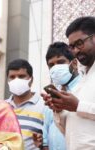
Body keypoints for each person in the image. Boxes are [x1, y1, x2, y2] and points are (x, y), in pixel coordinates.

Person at [42, 16, 95, 149]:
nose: (76, 50)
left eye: (79, 43)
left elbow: (79, 108)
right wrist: (59, 110)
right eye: (72, 47)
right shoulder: (84, 79)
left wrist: (77, 106)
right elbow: (71, 132)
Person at [43, 41, 82, 150]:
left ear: (74, 63)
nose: (55, 68)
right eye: (51, 65)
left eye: (61, 62)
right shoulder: (52, 94)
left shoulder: (85, 88)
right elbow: (47, 130)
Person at [5, 59, 49, 150]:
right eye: (12, 77)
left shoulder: (45, 106)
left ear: (31, 79)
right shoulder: (1, 107)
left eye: (21, 76)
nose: (16, 80)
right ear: (7, 81)